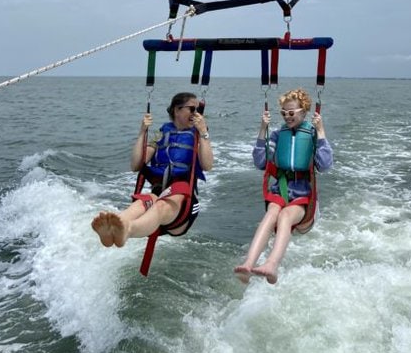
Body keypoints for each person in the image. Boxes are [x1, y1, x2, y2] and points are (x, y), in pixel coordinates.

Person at [234, 87, 333, 284]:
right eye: (283, 113)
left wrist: (321, 132)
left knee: (285, 216)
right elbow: (260, 162)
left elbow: (324, 165)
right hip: (280, 188)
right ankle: (248, 264)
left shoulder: (312, 133)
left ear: (304, 112)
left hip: (303, 195)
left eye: (291, 113)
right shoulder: (278, 135)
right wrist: (263, 129)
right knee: (271, 214)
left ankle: (272, 264)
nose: (287, 117)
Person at [91, 92, 213, 249]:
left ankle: (127, 230)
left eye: (198, 110)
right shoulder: (161, 134)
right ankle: (114, 228)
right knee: (142, 202)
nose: (196, 114)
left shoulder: (198, 134)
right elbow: (136, 165)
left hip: (183, 204)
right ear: (177, 110)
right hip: (158, 191)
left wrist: (203, 132)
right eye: (192, 109)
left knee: (161, 205)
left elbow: (208, 165)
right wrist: (142, 132)